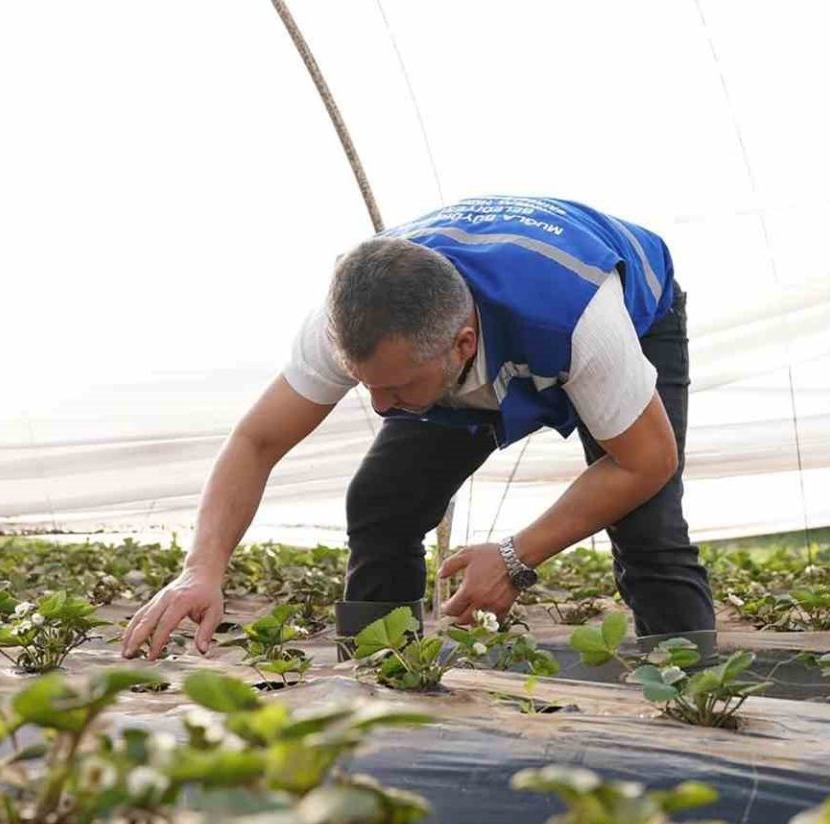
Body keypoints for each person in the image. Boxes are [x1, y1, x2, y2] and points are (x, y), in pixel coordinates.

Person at [122, 196, 715, 660]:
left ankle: (690, 697)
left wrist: (515, 556)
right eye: (366, 384)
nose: (382, 408)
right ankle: (381, 680)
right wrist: (202, 567)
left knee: (649, 530)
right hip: (472, 335)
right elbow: (256, 441)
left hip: (625, 312)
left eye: (397, 388)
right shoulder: (349, 322)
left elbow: (646, 461)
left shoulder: (581, 320)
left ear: (462, 347)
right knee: (382, 502)